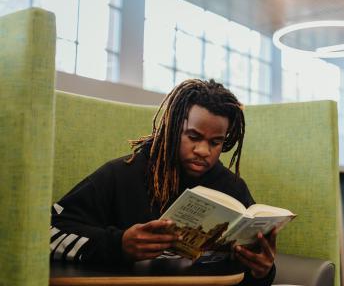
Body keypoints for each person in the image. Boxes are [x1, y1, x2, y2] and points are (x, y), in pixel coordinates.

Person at [50, 79, 276, 285]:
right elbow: (48, 233)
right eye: (193, 137)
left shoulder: (232, 188)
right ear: (172, 128)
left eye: (216, 142)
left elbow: (246, 273)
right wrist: (119, 245)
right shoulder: (121, 174)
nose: (203, 151)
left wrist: (263, 272)